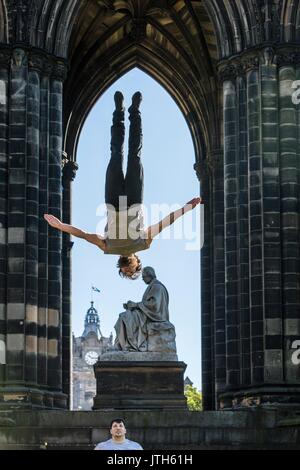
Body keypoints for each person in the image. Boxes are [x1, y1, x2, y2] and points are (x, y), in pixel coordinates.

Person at [44, 91, 202, 279]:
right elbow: (164, 223)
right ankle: (135, 112)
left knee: (115, 154)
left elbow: (83, 234)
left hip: (112, 200)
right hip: (134, 199)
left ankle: (118, 113)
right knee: (134, 154)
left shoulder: (107, 247)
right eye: (131, 270)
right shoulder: (144, 244)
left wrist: (61, 226)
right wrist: (186, 208)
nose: (126, 269)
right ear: (137, 263)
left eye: (124, 272)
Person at [114, 266, 172, 352]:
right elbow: (148, 305)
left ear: (149, 275)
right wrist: (133, 306)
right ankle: (121, 344)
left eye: (143, 277)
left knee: (125, 317)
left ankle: (129, 345)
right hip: (148, 314)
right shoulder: (153, 286)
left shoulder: (157, 286)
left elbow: (154, 305)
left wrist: (136, 305)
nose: (143, 279)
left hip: (154, 316)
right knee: (124, 316)